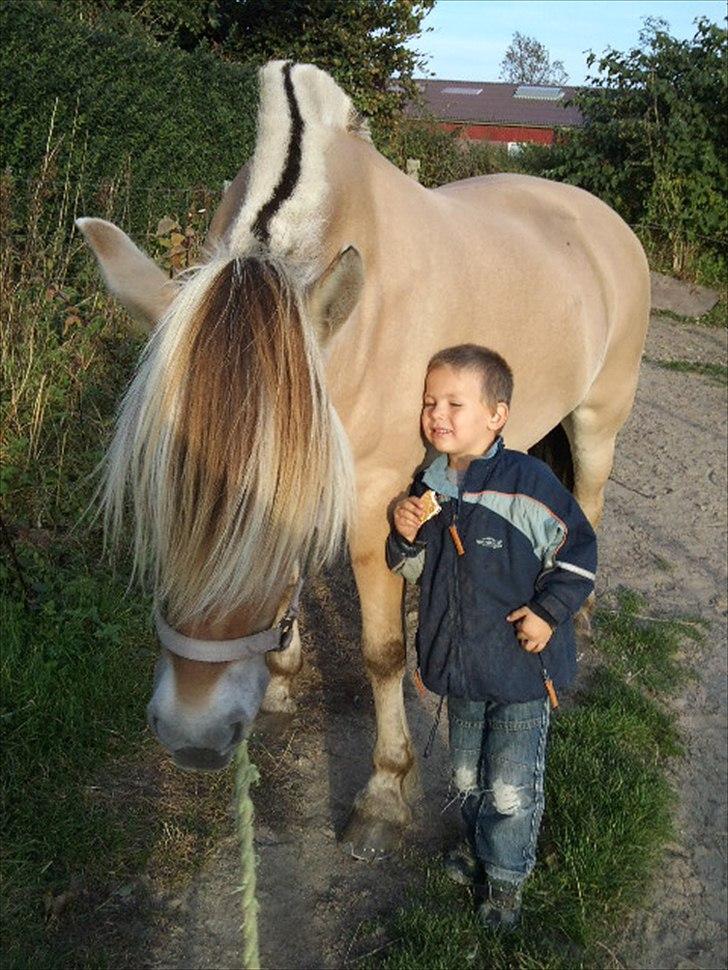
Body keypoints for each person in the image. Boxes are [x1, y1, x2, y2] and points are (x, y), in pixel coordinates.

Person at [386, 344, 597, 931]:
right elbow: (413, 570)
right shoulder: (429, 486)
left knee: (509, 785)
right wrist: (404, 536)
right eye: (430, 402)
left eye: (455, 402)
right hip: (462, 669)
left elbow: (577, 553)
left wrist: (549, 613)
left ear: (497, 416)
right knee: (466, 775)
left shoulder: (527, 483)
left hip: (520, 670)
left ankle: (505, 882)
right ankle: (477, 848)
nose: (437, 414)